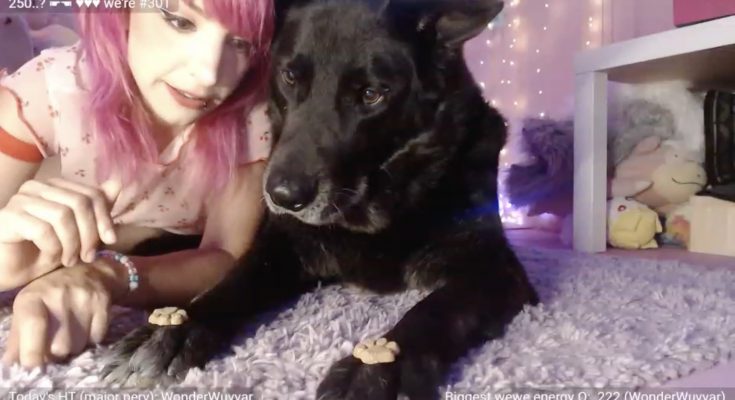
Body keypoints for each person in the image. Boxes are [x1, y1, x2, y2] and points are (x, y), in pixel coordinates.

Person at [0, 0, 275, 369]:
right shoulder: (47, 92)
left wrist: (109, 275)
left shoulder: (251, 116)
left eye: (241, 42)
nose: (209, 73)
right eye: (180, 21)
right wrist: (7, 266)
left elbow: (225, 256)